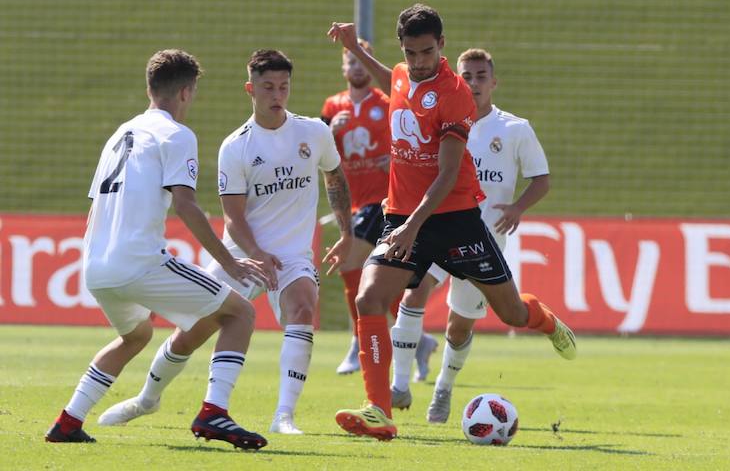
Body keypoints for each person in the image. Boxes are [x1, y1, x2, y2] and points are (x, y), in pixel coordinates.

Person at [326, 4, 576, 441]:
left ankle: (546, 320)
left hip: (455, 220)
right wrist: (354, 49)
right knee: (369, 299)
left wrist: (412, 227)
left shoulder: (455, 94)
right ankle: (379, 410)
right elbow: (395, 82)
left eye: (426, 52)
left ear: (442, 45)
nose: (419, 62)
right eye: (410, 52)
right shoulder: (404, 73)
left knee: (512, 312)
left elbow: (446, 175)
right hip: (403, 215)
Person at [97, 49, 353, 435]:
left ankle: (284, 416)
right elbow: (232, 218)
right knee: (192, 333)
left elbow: (334, 175)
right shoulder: (236, 146)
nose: (277, 94)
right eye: (268, 87)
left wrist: (347, 233)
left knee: (302, 307)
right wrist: (255, 256)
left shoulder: (314, 132)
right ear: (251, 89)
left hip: (293, 255)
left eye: (283, 86)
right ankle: (147, 399)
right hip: (243, 254)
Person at [45, 50, 273, 449]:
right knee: (241, 312)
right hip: (140, 263)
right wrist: (229, 262)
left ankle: (68, 421)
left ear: (150, 88)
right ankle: (213, 412)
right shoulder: (177, 135)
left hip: (97, 267)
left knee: (136, 336)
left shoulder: (119, 135)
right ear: (186, 92)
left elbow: (96, 206)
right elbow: (185, 204)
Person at [386, 47, 551, 423]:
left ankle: (444, 385)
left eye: (481, 76)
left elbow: (541, 179)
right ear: (458, 80)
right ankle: (399, 384)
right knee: (414, 291)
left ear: (494, 82)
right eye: (468, 76)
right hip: (440, 227)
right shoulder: (440, 116)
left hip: (483, 239)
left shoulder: (513, 129)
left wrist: (517, 208)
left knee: (458, 326)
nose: (474, 83)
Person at [320, 41, 437, 377]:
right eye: (349, 60)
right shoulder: (332, 106)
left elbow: (410, 136)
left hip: (383, 202)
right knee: (370, 282)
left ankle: (359, 344)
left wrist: (396, 161)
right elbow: (320, 154)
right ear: (343, 67)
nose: (356, 67)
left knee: (352, 264)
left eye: (361, 60)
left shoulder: (387, 102)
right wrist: (330, 131)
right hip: (352, 203)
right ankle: (418, 340)